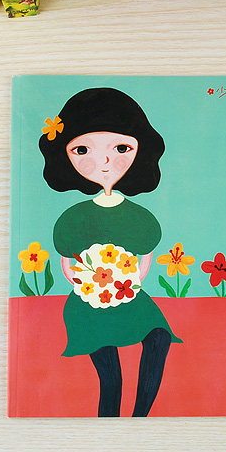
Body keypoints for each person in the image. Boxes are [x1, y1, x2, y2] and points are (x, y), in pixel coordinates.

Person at [39, 87, 182, 417]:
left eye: (120, 148)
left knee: (159, 337)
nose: (104, 162)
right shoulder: (74, 218)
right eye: (83, 149)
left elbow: (146, 256)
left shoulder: (139, 217)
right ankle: (109, 419)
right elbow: (66, 261)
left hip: (129, 296)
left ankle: (140, 414)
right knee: (110, 377)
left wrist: (132, 280)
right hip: (88, 304)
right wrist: (85, 283)